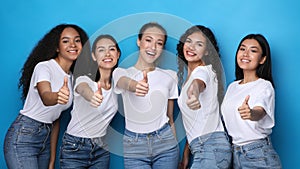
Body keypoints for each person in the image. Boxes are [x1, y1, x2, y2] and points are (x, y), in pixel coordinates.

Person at [3, 24, 89, 169]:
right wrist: (57, 96)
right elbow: (46, 96)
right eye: (65, 41)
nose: (72, 45)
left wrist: (51, 158)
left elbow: (55, 119)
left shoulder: (72, 78)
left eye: (77, 40)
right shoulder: (44, 67)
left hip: (45, 140)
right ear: (57, 47)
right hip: (24, 136)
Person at [112, 22, 179, 169]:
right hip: (134, 145)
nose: (153, 47)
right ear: (139, 41)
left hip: (165, 142)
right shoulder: (121, 73)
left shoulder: (170, 76)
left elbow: (170, 117)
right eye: (148, 40)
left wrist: (175, 148)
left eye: (159, 43)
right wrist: (136, 86)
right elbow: (124, 82)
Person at [221, 34, 282, 168]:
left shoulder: (264, 85)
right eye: (242, 49)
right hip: (235, 153)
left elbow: (260, 111)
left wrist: (251, 113)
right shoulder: (232, 87)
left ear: (263, 59)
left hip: (257, 153)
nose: (245, 54)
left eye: (253, 51)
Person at [59, 34, 120, 168]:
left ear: (118, 54)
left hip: (101, 148)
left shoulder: (118, 86)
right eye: (101, 50)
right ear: (93, 56)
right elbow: (83, 89)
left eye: (112, 49)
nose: (107, 53)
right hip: (75, 147)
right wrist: (92, 96)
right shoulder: (84, 79)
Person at [177, 25, 231, 169]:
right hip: (204, 147)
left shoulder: (204, 71)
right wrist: (186, 155)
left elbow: (198, 84)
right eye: (189, 41)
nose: (191, 47)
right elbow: (196, 122)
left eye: (199, 44)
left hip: (211, 147)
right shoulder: (188, 78)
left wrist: (193, 93)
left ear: (207, 51)